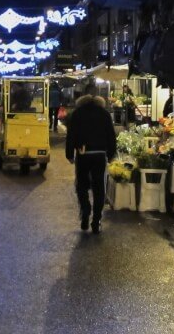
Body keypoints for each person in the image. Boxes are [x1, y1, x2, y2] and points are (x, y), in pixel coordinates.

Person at [65, 82, 117, 234]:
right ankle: (96, 219)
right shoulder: (104, 113)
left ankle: (85, 210)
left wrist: (69, 153)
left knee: (81, 184)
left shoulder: (77, 113)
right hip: (100, 154)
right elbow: (111, 135)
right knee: (99, 187)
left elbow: (71, 135)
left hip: (83, 154)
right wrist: (111, 153)